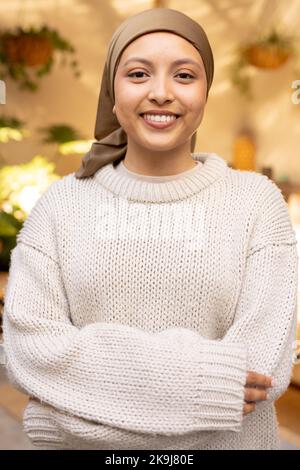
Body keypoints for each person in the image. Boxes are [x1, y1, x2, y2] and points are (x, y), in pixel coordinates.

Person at [3, 8, 298, 450]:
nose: (161, 93)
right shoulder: (61, 206)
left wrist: (60, 416)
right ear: (112, 90)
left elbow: (260, 372)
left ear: (206, 90)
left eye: (184, 75)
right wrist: (205, 387)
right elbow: (29, 353)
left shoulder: (257, 203)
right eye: (139, 74)